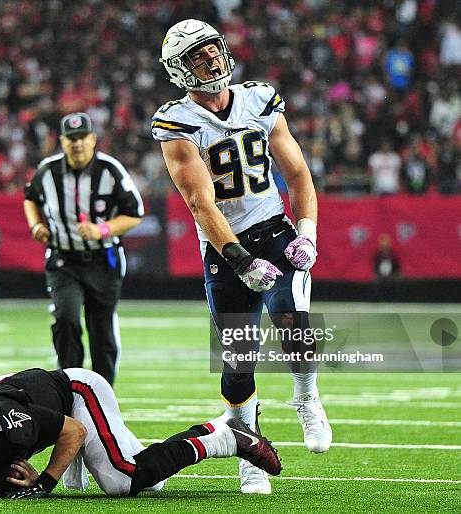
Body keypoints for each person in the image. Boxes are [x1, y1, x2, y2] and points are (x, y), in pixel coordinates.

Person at [153, 19, 331, 494]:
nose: (210, 60)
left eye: (212, 49)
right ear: (179, 69)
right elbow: (199, 203)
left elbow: (298, 174)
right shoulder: (177, 122)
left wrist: (307, 234)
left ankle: (306, 395)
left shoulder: (259, 99)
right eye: (197, 55)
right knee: (238, 361)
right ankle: (247, 449)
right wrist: (238, 259)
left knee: (291, 319)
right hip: (222, 245)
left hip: (274, 228)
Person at [0, 367, 281, 498]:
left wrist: (46, 482)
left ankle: (225, 436)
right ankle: (123, 448)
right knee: (151, 483)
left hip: (76, 395)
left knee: (122, 480)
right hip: (47, 415)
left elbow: (73, 430)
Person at [24, 112, 143, 385]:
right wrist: (35, 226)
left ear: (92, 139)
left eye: (82, 138)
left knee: (101, 329)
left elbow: (134, 213)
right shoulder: (48, 170)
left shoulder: (110, 170)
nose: (77, 144)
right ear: (62, 141)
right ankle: (69, 387)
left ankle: (102, 395)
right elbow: (30, 197)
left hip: (103, 259)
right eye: (71, 138)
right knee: (66, 318)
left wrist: (102, 229)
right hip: (63, 260)